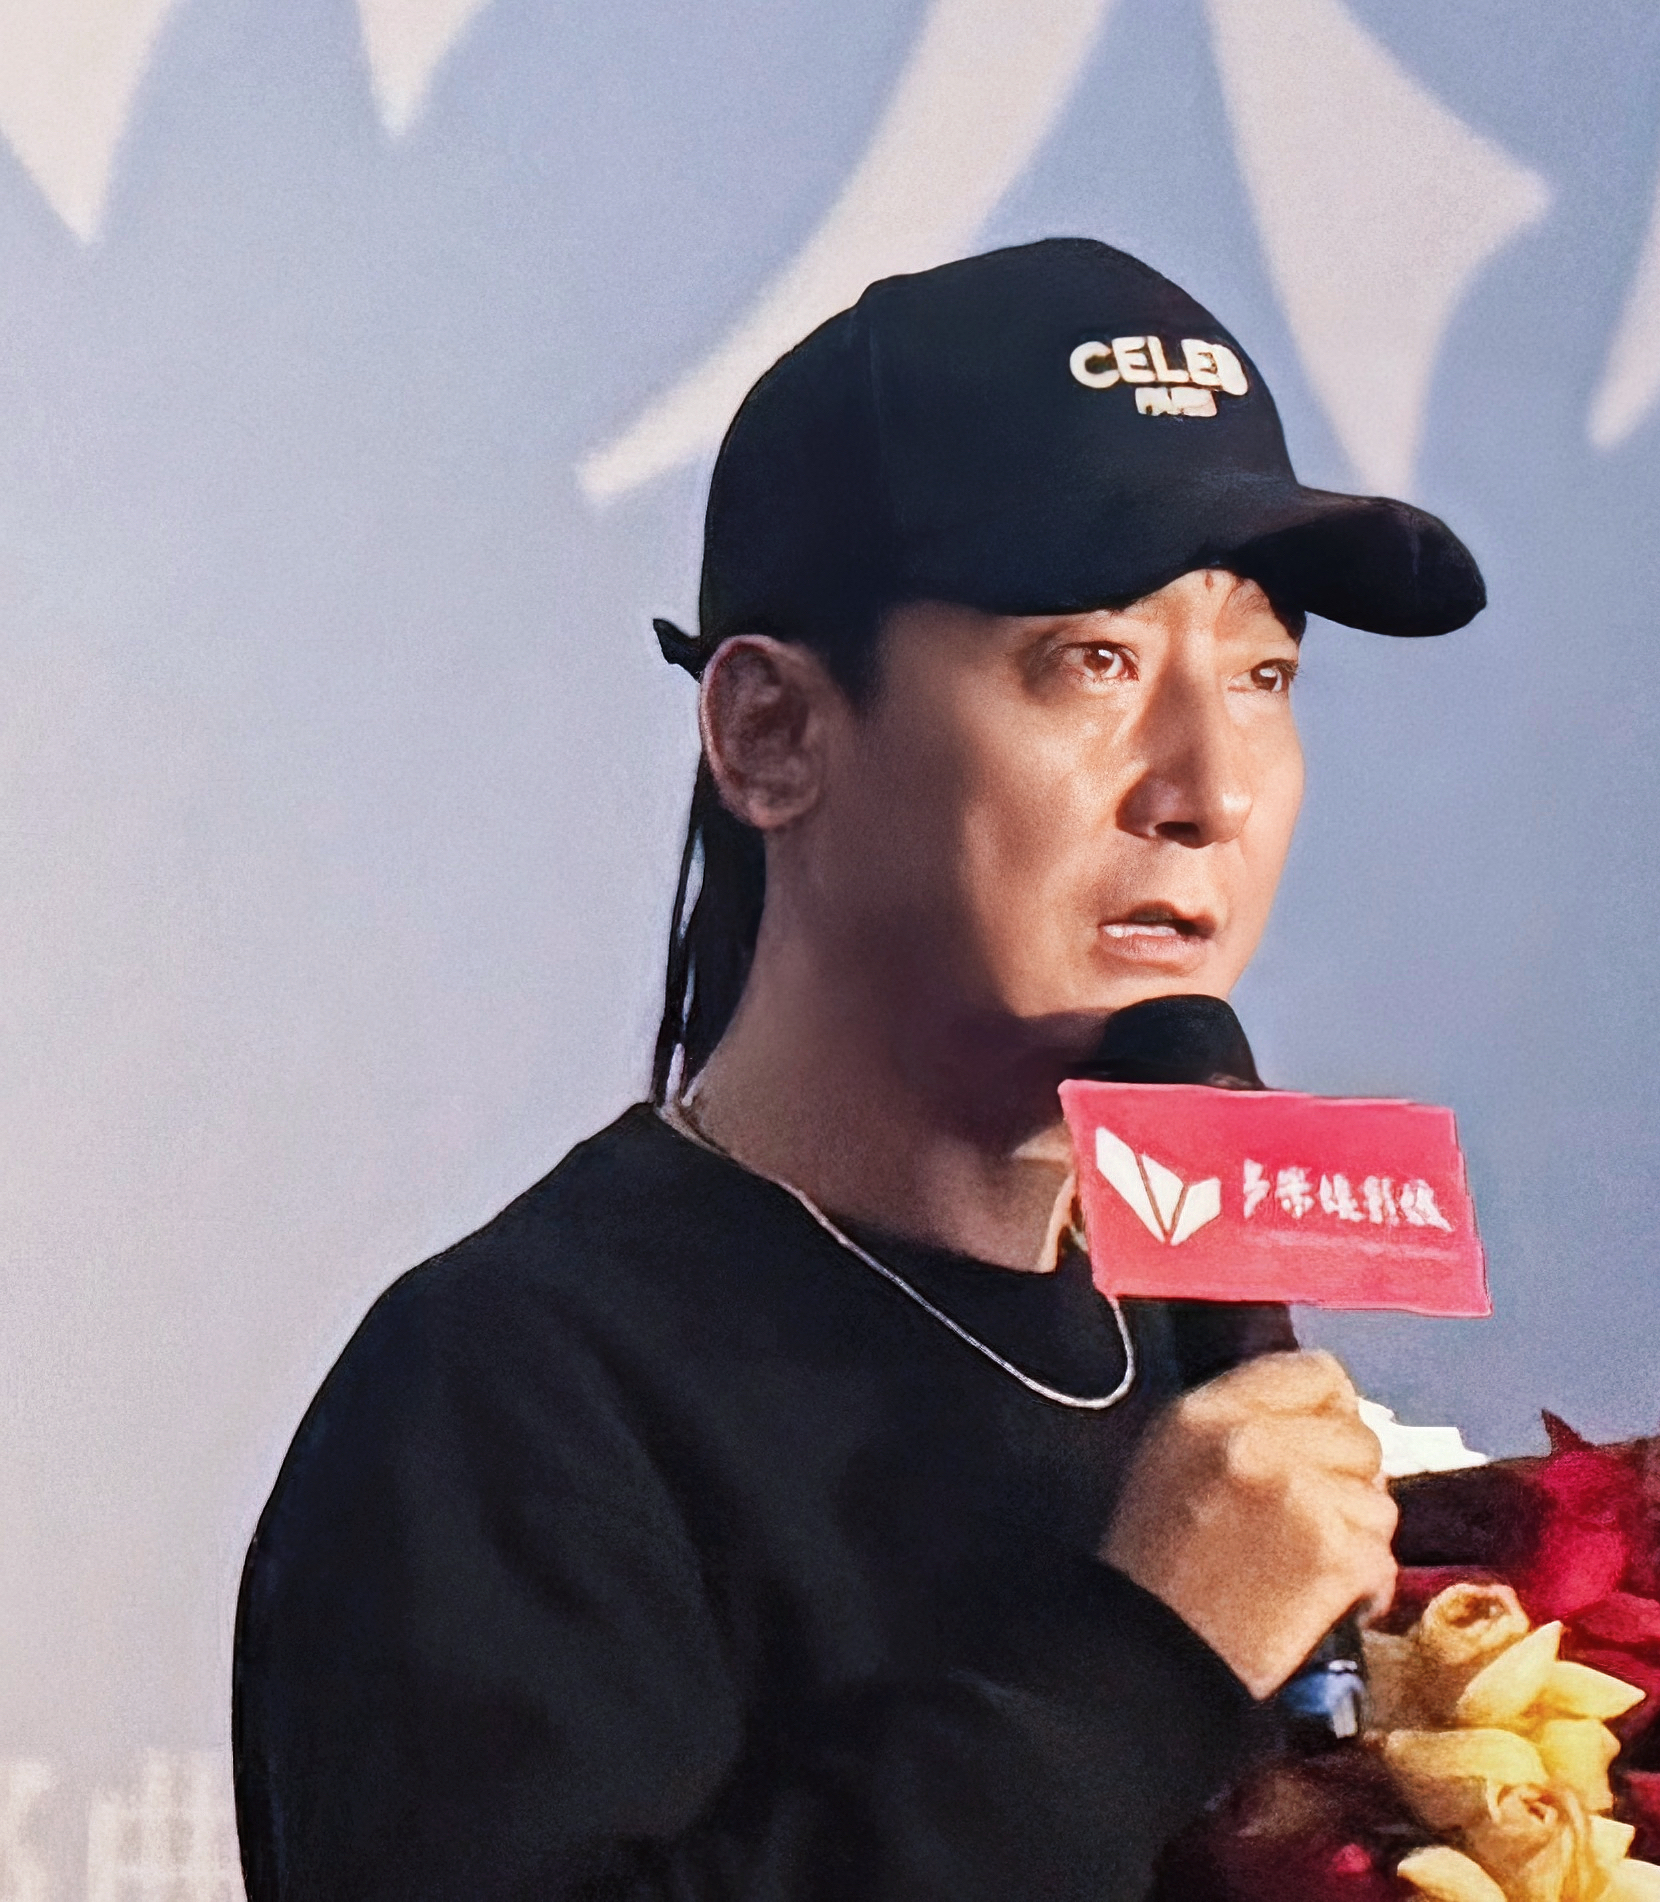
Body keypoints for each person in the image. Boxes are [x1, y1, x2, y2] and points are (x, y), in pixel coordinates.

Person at [229, 237, 1488, 1900]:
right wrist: (1141, 1665)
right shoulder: (509, 1388)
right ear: (770, 733)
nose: (1209, 788)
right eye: (1093, 660)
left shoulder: (1201, 1357)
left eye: (1262, 676)